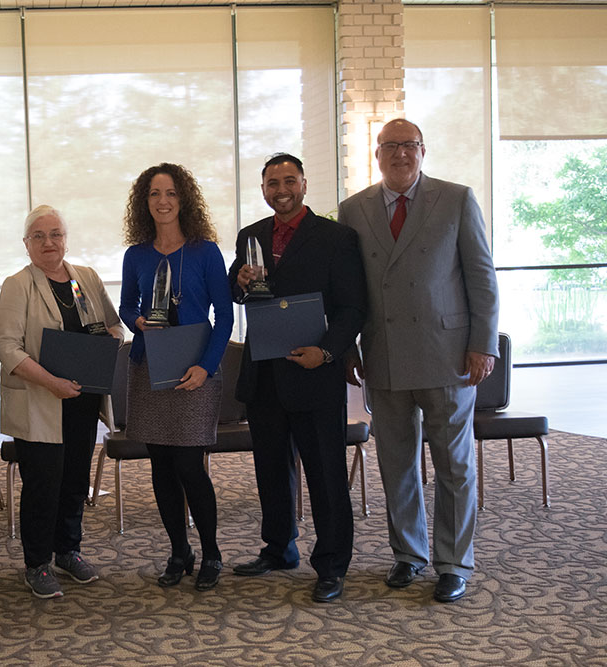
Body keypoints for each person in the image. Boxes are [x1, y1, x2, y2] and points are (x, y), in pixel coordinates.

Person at [337, 119, 499, 603]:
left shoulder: (457, 199)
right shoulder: (353, 209)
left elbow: (482, 277)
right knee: (397, 464)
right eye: (390, 146)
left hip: (448, 354)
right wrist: (347, 346)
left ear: (423, 151)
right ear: (377, 154)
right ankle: (408, 553)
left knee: (454, 465)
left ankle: (453, 563)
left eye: (409, 145)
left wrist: (483, 343)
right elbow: (346, 289)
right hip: (383, 354)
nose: (400, 154)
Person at [227, 153, 366, 602]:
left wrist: (326, 352)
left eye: (290, 181)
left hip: (315, 372)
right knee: (270, 470)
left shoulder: (337, 237)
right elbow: (235, 291)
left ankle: (331, 565)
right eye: (273, 183)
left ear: (304, 185)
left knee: (326, 474)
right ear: (263, 190)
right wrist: (239, 281)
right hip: (265, 373)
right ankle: (278, 549)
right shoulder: (251, 235)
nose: (281, 190)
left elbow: (352, 307)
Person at [0, 205, 124, 599]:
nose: (48, 242)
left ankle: (68, 550)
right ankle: (37, 563)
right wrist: (51, 382)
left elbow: (113, 325)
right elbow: (6, 347)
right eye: (39, 236)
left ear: (65, 239)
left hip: (82, 400)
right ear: (26, 244)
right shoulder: (18, 285)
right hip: (40, 400)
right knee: (43, 485)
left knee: (74, 481)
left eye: (55, 234)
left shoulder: (86, 278)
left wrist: (109, 345)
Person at [119, 163, 233, 591]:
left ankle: (212, 552)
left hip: (195, 368)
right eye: (154, 194)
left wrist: (207, 366)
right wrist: (137, 322)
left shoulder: (206, 252)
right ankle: (179, 551)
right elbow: (126, 306)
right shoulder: (136, 255)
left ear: (183, 199)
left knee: (189, 464)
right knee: (162, 466)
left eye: (170, 193)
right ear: (143, 202)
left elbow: (225, 315)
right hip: (151, 366)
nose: (162, 201)